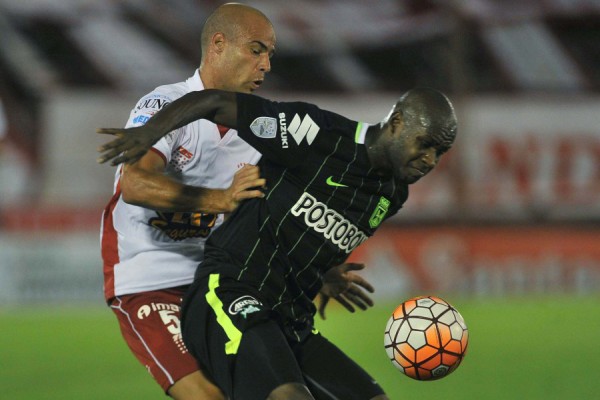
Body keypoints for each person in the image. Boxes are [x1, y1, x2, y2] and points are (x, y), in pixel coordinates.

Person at [97, 86, 457, 400]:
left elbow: (306, 228)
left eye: (440, 153)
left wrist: (324, 271)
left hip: (290, 319)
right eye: (424, 144)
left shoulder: (393, 194)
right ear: (397, 123)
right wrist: (151, 133)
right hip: (230, 291)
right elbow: (214, 101)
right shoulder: (315, 133)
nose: (430, 160)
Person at [100, 4, 374, 400]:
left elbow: (273, 218)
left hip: (218, 282)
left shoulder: (259, 129)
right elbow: (135, 183)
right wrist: (219, 199)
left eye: (270, 55)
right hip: (148, 277)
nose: (265, 65)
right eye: (256, 49)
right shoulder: (164, 105)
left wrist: (317, 270)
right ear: (218, 44)